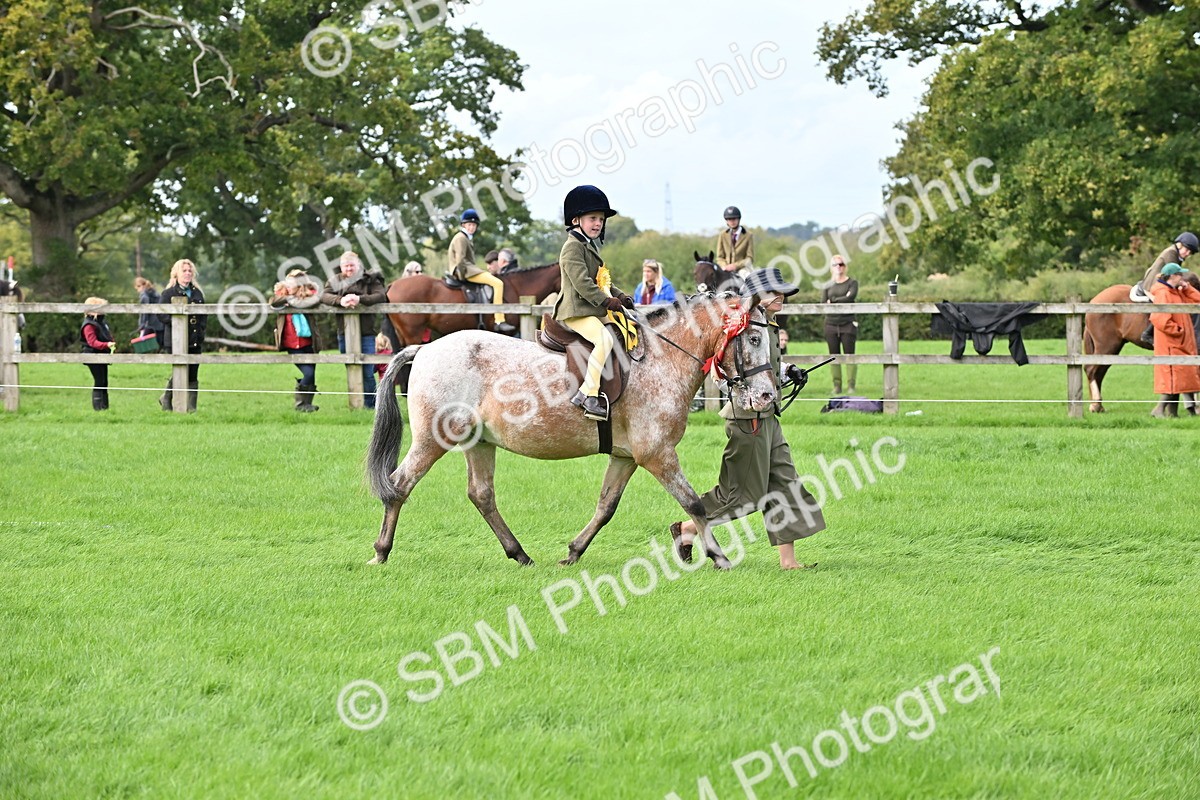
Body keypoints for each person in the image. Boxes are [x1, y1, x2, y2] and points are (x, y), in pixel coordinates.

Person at [670, 267, 826, 570]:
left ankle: (788, 562)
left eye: (782, 291)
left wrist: (788, 370)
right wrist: (744, 392)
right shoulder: (738, 326)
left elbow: (763, 367)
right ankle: (687, 529)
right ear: (757, 297)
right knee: (741, 494)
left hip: (769, 416)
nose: (781, 296)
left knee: (785, 485)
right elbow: (723, 369)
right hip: (747, 417)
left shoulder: (767, 322)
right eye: (774, 291)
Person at [554, 185, 634, 421]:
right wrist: (607, 302)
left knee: (627, 328)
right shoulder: (572, 249)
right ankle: (588, 394)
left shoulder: (588, 247)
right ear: (576, 220)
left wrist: (620, 297)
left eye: (600, 219)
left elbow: (601, 280)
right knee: (604, 338)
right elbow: (583, 285)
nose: (598, 223)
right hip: (576, 311)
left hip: (591, 308)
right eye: (592, 218)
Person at [321, 251, 388, 409]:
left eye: (352, 265)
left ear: (358, 266)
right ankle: (356, 404)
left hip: (366, 332)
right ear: (341, 267)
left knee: (367, 369)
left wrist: (360, 299)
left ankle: (371, 406)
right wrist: (340, 300)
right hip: (343, 331)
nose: (349, 269)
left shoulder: (370, 279)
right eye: (346, 266)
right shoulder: (335, 280)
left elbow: (381, 295)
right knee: (350, 366)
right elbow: (324, 296)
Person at [449, 209, 517, 335]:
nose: (472, 227)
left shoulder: (465, 237)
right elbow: (460, 260)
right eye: (469, 225)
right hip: (465, 271)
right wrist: (463, 276)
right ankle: (499, 320)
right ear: (463, 225)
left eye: (474, 225)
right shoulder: (461, 238)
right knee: (498, 284)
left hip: (469, 269)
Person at [1148, 263, 1200, 417]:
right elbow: (1158, 318)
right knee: (1174, 376)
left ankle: (1172, 413)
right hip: (1171, 342)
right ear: (1173, 276)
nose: (1182, 277)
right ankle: (1158, 410)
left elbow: (1198, 300)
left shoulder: (1175, 291)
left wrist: (1187, 288)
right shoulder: (1164, 293)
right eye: (1180, 275)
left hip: (1179, 342)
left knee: (1180, 377)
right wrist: (1178, 331)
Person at [158, 258, 206, 412]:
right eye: (184, 271)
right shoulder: (168, 293)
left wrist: (200, 334)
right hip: (175, 340)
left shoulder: (197, 293)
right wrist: (177, 323)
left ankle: (191, 408)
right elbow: (161, 314)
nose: (187, 273)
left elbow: (203, 316)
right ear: (176, 273)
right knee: (178, 371)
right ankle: (167, 399)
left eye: (189, 271)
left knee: (192, 373)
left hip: (194, 340)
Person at [271, 268, 322, 412]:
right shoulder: (282, 295)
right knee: (308, 373)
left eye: (291, 284)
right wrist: (288, 299)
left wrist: (297, 301)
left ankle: (307, 405)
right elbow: (273, 302)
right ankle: (300, 405)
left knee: (312, 373)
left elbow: (316, 300)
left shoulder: (308, 297)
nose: (288, 287)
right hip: (292, 344)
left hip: (309, 343)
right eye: (287, 283)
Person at [1135, 232, 1198, 345]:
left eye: (1190, 252)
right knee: (1165, 304)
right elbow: (1173, 274)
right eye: (1187, 250)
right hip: (1153, 284)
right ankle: (1147, 333)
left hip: (1162, 282)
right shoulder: (1171, 253)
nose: (1188, 253)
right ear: (1179, 244)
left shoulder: (1176, 254)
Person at [822, 255, 859, 394]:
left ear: (845, 266)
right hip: (831, 323)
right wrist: (841, 299)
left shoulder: (852, 283)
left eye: (841, 264)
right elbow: (822, 303)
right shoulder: (827, 285)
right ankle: (837, 385)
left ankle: (851, 385)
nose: (839, 267)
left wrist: (834, 300)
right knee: (834, 355)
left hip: (848, 323)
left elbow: (851, 297)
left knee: (850, 355)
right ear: (831, 268)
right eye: (836, 264)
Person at [81, 297, 115, 411]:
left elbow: (106, 335)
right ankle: (98, 408)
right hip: (92, 355)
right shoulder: (89, 325)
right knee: (99, 380)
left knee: (104, 381)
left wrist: (110, 342)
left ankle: (104, 407)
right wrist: (106, 345)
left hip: (101, 354)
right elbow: (92, 342)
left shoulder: (101, 323)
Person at [715, 205, 754, 274]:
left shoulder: (748, 235)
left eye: (734, 219)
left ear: (738, 219)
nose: (732, 221)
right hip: (725, 268)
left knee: (745, 275)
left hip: (742, 269)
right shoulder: (722, 235)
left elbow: (749, 258)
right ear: (726, 221)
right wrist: (725, 266)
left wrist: (735, 266)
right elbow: (719, 257)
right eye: (729, 219)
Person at [134, 276, 164, 349]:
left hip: (152, 323)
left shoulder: (144, 295)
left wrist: (142, 325)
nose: (138, 291)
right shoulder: (154, 293)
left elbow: (144, 311)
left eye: (137, 288)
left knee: (145, 345)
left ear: (139, 286)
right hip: (161, 321)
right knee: (161, 344)